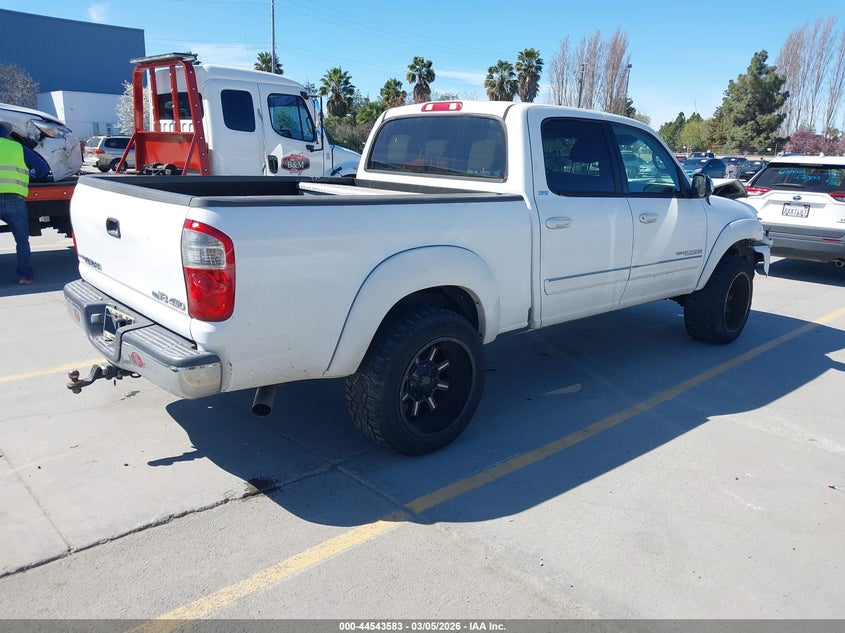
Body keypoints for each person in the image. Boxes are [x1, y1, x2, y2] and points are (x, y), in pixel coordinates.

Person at [0, 120, 49, 284]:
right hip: (16, 200)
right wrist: (29, 175)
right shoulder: (18, 148)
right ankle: (24, 275)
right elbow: (42, 169)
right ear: (6, 133)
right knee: (21, 240)